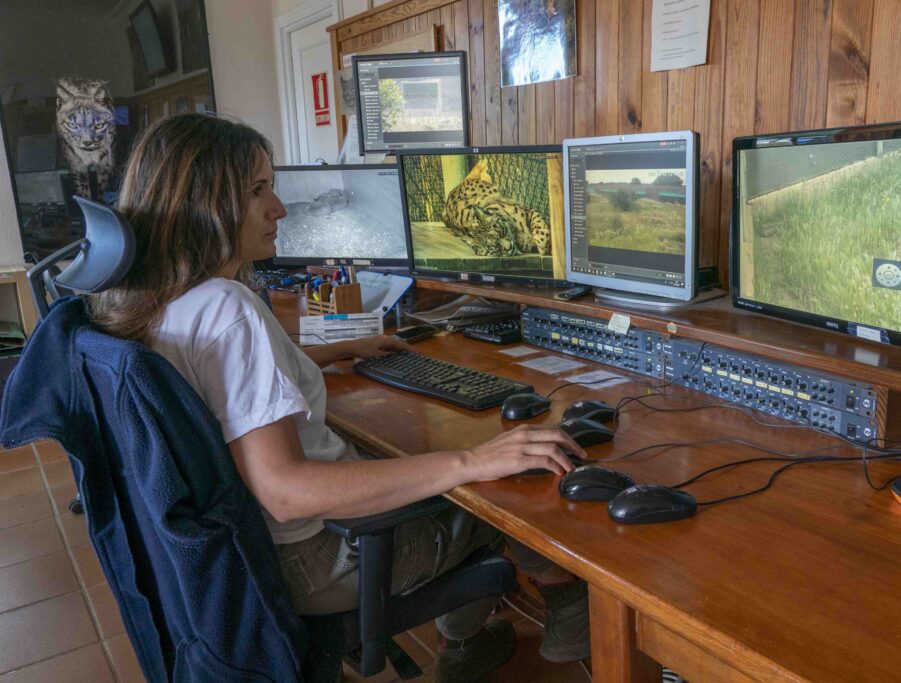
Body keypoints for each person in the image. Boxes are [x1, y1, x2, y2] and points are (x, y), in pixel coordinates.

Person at [87, 113, 590, 681]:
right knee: (506, 483)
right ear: (203, 203)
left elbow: (218, 389)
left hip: (246, 556)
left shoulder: (155, 301)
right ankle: (540, 616)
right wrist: (473, 461)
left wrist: (326, 353)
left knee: (443, 461)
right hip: (319, 557)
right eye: (258, 191)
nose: (278, 208)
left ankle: (470, 640)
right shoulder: (228, 309)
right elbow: (285, 491)